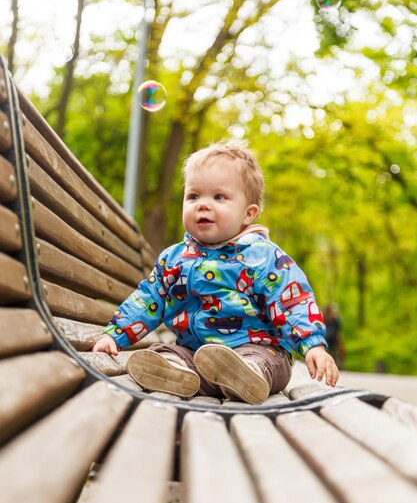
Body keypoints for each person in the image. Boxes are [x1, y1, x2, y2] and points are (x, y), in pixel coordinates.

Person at [92, 142, 339, 404]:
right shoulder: (174, 260)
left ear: (248, 213)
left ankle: (247, 376)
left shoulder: (263, 257)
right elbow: (147, 299)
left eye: (219, 197)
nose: (203, 205)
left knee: (264, 361)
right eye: (193, 196)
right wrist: (115, 335)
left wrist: (312, 343)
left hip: (260, 351)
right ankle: (174, 371)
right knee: (166, 352)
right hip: (195, 354)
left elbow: (292, 300)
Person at [323, 303, 345, 369]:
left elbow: (339, 332)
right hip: (325, 340)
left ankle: (337, 366)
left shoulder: (336, 320)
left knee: (336, 355)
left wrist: (341, 344)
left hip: (334, 340)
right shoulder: (323, 319)